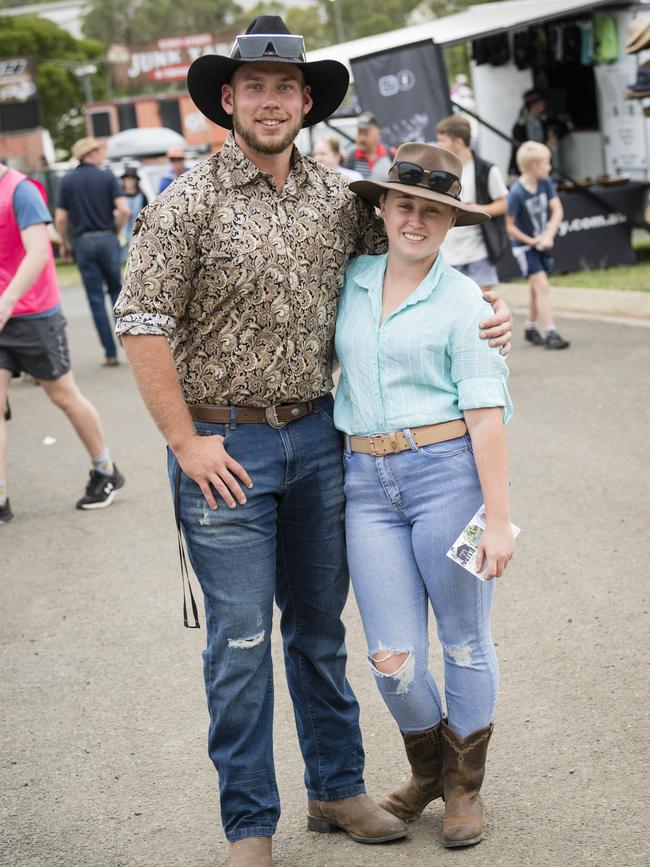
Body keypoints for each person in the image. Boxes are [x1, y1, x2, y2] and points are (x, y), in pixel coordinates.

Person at [114, 16, 513, 867]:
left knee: (319, 633)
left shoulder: (339, 199)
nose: (269, 101)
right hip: (223, 451)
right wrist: (185, 443)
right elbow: (142, 325)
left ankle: (335, 786)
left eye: (284, 88)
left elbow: (417, 257)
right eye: (252, 86)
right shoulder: (185, 202)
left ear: (305, 103)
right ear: (228, 99)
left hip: (322, 442)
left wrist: (490, 308)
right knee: (242, 645)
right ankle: (248, 828)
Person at [335, 141, 514, 849]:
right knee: (392, 655)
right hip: (366, 485)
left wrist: (497, 521)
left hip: (447, 475)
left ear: (449, 221)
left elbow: (485, 415)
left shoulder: (468, 299)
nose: (416, 220)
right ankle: (431, 768)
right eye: (405, 204)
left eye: (433, 211)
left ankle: (462, 786)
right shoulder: (349, 280)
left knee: (466, 640)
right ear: (383, 206)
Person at [0, 162, 125, 523]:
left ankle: (106, 471)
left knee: (64, 396)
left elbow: (40, 251)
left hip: (34, 315)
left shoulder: (20, 190)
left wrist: (7, 302)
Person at [54, 136, 130, 367]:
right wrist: (114, 231)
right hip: (106, 238)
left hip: (83, 242)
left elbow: (60, 218)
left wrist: (67, 243)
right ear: (90, 154)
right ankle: (129, 348)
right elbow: (124, 210)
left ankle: (109, 353)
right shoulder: (107, 177)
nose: (101, 154)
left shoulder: (66, 181)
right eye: (98, 150)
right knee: (118, 294)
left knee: (95, 299)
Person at [506, 141, 570, 349]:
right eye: (546, 163)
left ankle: (531, 328)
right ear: (534, 166)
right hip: (525, 248)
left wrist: (549, 235)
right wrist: (532, 241)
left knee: (536, 290)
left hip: (542, 242)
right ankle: (551, 332)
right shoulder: (516, 193)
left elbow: (557, 210)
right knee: (542, 286)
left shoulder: (545, 183)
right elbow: (510, 226)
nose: (549, 167)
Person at [436, 114, 509, 291]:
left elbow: (503, 204)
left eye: (443, 140)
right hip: (448, 253)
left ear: (459, 142)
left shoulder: (487, 170)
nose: (439, 145)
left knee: (481, 307)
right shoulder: (438, 170)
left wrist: (477, 209)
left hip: (479, 252)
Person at [344, 112, 394, 180]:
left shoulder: (390, 155)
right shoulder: (350, 158)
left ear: (377, 134)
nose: (361, 139)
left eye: (366, 134)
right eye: (359, 133)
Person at [119, 167, 148, 263]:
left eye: (132, 179)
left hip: (137, 232)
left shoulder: (142, 196)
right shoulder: (119, 197)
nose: (129, 182)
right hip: (122, 232)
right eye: (127, 179)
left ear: (136, 181)